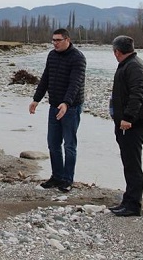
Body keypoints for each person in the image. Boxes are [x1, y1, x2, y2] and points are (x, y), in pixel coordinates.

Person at [29, 28, 86, 192]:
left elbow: (75, 83)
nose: (55, 43)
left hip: (71, 107)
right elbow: (45, 78)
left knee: (69, 145)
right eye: (53, 40)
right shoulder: (52, 55)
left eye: (58, 40)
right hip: (54, 106)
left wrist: (66, 103)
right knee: (53, 143)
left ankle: (67, 180)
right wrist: (36, 99)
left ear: (67, 40)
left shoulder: (78, 58)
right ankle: (57, 176)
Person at [109, 35, 143, 217]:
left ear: (117, 51)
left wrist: (128, 118)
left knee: (132, 164)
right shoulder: (129, 63)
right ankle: (127, 200)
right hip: (127, 123)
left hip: (133, 124)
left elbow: (137, 94)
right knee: (128, 162)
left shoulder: (134, 66)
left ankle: (133, 205)